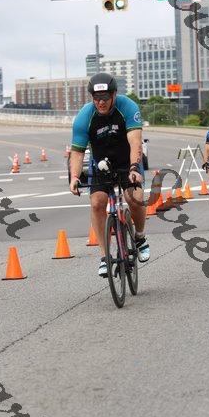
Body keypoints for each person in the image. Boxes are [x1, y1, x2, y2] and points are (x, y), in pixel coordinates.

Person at [69, 73, 150, 277]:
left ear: (114, 94)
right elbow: (77, 152)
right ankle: (105, 256)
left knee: (135, 198)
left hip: (127, 162)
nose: (101, 102)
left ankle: (140, 237)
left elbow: (135, 142)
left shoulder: (128, 107)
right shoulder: (84, 117)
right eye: (96, 98)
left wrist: (134, 168)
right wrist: (75, 177)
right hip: (101, 165)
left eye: (105, 97)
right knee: (97, 203)